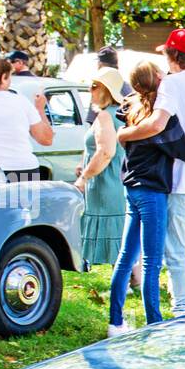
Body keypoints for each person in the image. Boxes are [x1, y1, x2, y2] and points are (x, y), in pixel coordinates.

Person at [117, 28, 185, 318]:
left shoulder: (172, 85)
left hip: (179, 182)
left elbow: (155, 125)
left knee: (177, 252)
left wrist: (126, 134)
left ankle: (182, 311)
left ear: (171, 55)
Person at [75, 68, 128, 268]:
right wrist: (83, 165)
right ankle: (132, 283)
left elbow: (106, 152)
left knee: (118, 240)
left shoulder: (106, 116)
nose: (90, 91)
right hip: (114, 183)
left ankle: (130, 284)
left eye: (94, 86)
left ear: (106, 90)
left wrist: (84, 178)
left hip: (107, 184)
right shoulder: (118, 114)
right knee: (122, 240)